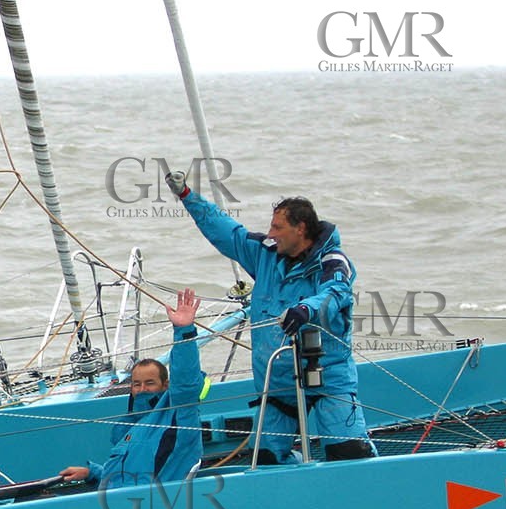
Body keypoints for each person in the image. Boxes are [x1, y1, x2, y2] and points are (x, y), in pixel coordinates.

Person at [169, 172, 374, 462]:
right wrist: (188, 196)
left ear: (300, 229)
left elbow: (336, 293)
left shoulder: (333, 262)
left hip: (329, 378)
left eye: (278, 227)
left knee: (350, 453)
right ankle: (297, 474)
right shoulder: (265, 253)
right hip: (277, 384)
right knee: (266, 459)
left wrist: (306, 309)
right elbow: (225, 231)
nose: (271, 233)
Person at [60, 288, 206, 489]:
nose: (142, 389)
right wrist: (92, 473)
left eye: (150, 383)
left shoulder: (179, 415)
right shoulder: (132, 427)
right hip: (116, 501)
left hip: (152, 504)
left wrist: (183, 331)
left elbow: (186, 381)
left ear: (165, 385)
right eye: (137, 384)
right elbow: (125, 478)